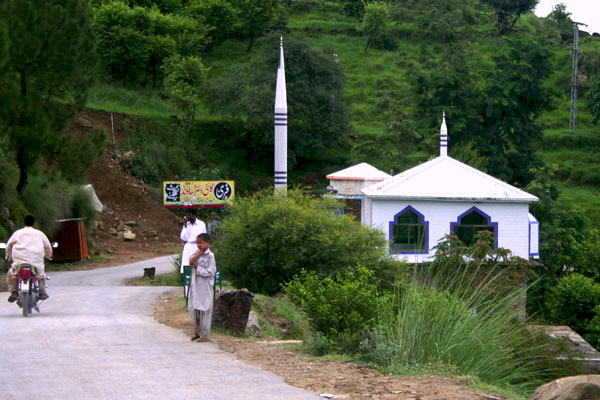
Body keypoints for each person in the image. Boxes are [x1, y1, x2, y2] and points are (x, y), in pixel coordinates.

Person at [5, 215, 53, 302]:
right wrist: (48, 256)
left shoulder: (17, 233)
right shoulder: (40, 234)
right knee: (40, 275)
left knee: (11, 274)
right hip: (36, 262)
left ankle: (14, 292)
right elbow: (47, 246)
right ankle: (42, 292)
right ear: (33, 223)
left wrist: (8, 255)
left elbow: (9, 245)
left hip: (19, 262)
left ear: (24, 223)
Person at [188, 233, 216, 342]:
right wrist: (200, 252)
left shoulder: (211, 256)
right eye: (197, 243)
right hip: (195, 285)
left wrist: (198, 268)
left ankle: (204, 335)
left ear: (207, 243)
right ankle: (197, 332)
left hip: (205, 286)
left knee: (205, 310)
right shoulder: (197, 253)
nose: (199, 245)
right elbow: (190, 261)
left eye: (201, 243)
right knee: (194, 309)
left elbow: (211, 272)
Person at [179, 209, 206, 274]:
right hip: (188, 246)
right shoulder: (187, 225)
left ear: (194, 215)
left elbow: (200, 236)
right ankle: (187, 281)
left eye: (189, 215)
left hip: (197, 246)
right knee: (186, 264)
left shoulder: (201, 224)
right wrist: (185, 227)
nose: (188, 217)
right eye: (187, 215)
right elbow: (183, 237)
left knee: (196, 263)